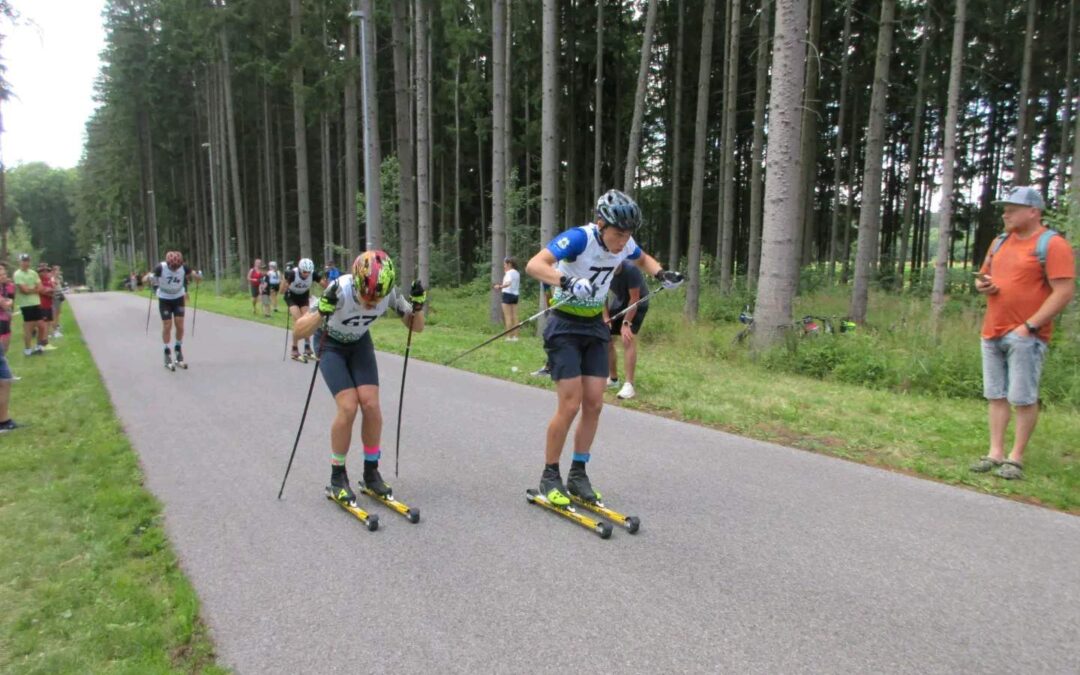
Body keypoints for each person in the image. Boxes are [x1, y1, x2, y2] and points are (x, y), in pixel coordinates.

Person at [524, 189, 684, 506]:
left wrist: (662, 273)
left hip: (595, 327)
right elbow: (534, 265)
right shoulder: (579, 238)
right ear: (601, 224)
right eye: (618, 234)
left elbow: (643, 257)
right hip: (564, 326)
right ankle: (550, 475)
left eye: (628, 235)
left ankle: (578, 474)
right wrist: (565, 281)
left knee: (595, 403)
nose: (623, 241)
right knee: (570, 404)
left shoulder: (626, 244)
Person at [292, 250, 426, 504]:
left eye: (378, 298)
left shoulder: (389, 294)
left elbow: (417, 327)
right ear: (356, 283)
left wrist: (417, 307)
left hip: (359, 343)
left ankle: (371, 471)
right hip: (329, 344)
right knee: (348, 406)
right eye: (367, 297)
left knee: (371, 404)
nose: (372, 304)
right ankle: (337, 476)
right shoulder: (338, 290)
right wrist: (321, 310)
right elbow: (299, 331)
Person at [970, 186, 1075, 480]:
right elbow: (983, 276)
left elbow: (1064, 291)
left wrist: (1030, 326)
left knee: (1023, 397)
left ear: (1033, 211)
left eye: (1013, 208)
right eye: (1005, 208)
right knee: (996, 395)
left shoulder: (1051, 244)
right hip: (992, 330)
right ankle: (995, 453)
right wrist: (984, 285)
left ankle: (1015, 458)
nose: (1006, 213)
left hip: (1027, 335)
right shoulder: (1000, 242)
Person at [603, 260, 650, 400]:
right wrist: (605, 318)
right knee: (607, 337)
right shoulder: (603, 269)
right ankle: (613, 379)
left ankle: (629, 385)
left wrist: (626, 323)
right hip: (621, 300)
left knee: (627, 338)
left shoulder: (631, 270)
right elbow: (602, 296)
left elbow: (634, 299)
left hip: (638, 302)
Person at [152, 251, 200, 369]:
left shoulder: (184, 267)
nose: (174, 269)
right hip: (165, 299)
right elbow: (151, 279)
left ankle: (178, 349)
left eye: (176, 267)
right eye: (172, 267)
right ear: (168, 263)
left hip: (178, 298)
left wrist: (198, 277)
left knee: (180, 325)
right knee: (167, 325)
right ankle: (167, 351)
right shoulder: (160, 267)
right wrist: (151, 282)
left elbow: (195, 276)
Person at [283, 258, 325, 361]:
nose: (307, 274)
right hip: (291, 297)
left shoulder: (313, 274)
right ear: (300, 269)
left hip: (303, 297)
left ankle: (307, 348)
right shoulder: (293, 274)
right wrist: (285, 278)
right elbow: (282, 290)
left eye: (309, 272)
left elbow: (325, 284)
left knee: (307, 322)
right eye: (304, 272)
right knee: (298, 322)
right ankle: (294, 348)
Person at [13, 254, 47, 356]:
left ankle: (38, 346)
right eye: (24, 261)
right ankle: (27, 349)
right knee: (29, 327)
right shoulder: (17, 274)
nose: (26, 263)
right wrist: (34, 289)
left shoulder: (33, 273)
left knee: (41, 326)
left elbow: (41, 288)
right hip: (26, 304)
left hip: (36, 302)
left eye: (27, 261)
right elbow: (24, 290)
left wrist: (31, 289)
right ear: (20, 262)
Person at [493, 257, 522, 341]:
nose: (504, 266)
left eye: (505, 264)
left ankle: (508, 337)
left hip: (507, 294)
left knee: (508, 316)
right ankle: (515, 337)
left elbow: (508, 283)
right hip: (515, 295)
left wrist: (499, 286)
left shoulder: (509, 273)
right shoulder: (517, 273)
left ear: (509, 264)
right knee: (515, 316)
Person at [0, 264, 19, 382]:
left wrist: (9, 302)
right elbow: (5, 304)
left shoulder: (7, 287)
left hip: (5, 319)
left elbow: (11, 303)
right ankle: (6, 376)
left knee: (5, 349)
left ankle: (4, 374)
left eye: (4, 274)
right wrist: (8, 302)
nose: (2, 276)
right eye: (0, 274)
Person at [36, 264, 57, 351]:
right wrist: (49, 291)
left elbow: (53, 290)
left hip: (49, 304)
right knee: (43, 324)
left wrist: (49, 291)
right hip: (42, 304)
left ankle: (46, 341)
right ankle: (42, 342)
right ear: (39, 273)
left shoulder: (48, 280)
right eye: (43, 271)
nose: (45, 272)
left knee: (48, 322)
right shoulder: (39, 281)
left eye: (46, 271)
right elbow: (41, 291)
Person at [50, 265, 65, 338]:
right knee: (54, 314)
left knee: (58, 313)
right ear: (53, 271)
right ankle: (54, 331)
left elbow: (59, 286)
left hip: (59, 297)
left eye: (59, 270)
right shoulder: (52, 279)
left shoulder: (58, 278)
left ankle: (56, 327)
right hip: (54, 297)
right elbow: (53, 287)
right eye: (57, 270)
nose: (58, 272)